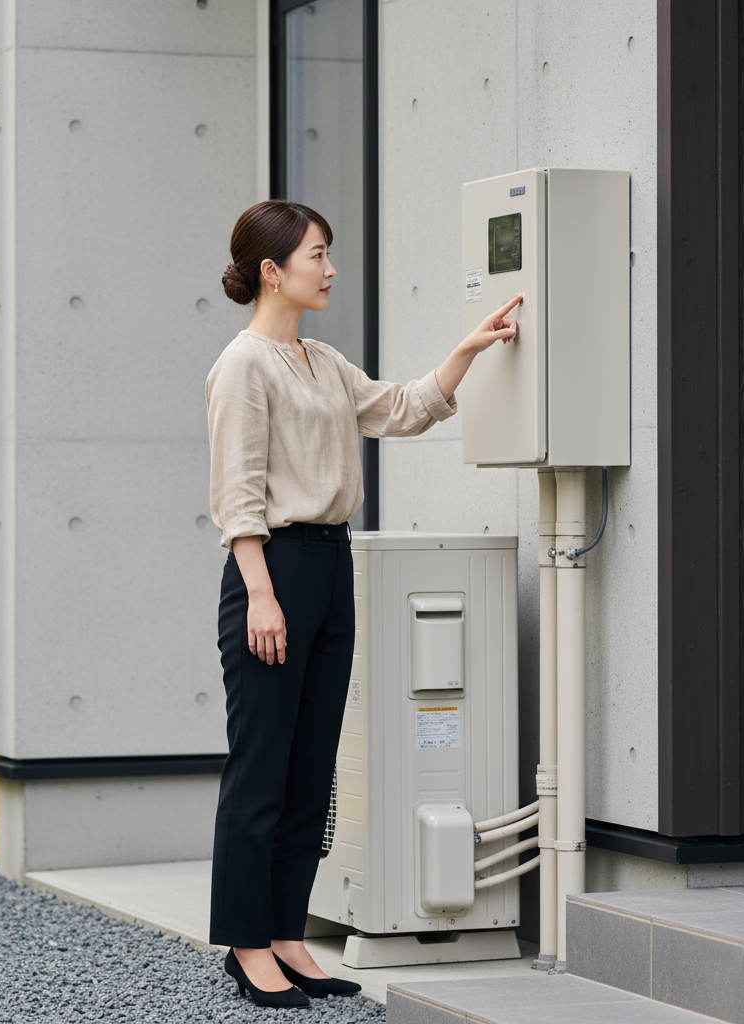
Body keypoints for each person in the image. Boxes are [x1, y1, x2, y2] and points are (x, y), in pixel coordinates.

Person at [206, 199, 520, 1009]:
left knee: (312, 769)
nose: (330, 268)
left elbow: (402, 409)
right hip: (272, 571)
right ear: (272, 270)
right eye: (317, 254)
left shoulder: (321, 360)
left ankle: (286, 935)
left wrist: (467, 350)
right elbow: (237, 492)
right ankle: (246, 945)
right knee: (262, 769)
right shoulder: (243, 365)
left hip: (328, 564)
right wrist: (261, 595)